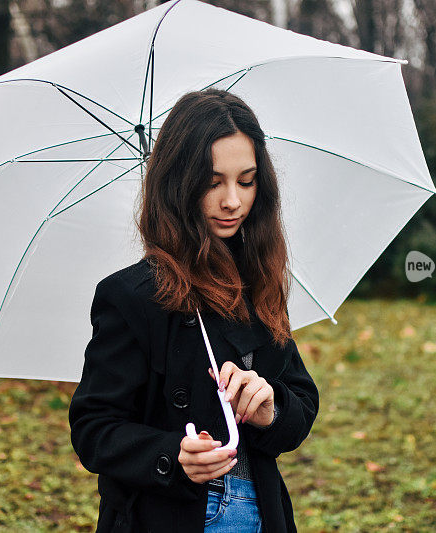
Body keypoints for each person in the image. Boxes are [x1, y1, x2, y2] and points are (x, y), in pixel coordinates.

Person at [69, 88, 319, 533]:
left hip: (260, 513)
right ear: (180, 184)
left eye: (246, 180)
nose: (232, 201)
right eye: (212, 182)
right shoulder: (131, 296)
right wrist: (172, 456)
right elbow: (93, 428)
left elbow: (302, 404)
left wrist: (270, 409)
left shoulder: (256, 283)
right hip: (169, 516)